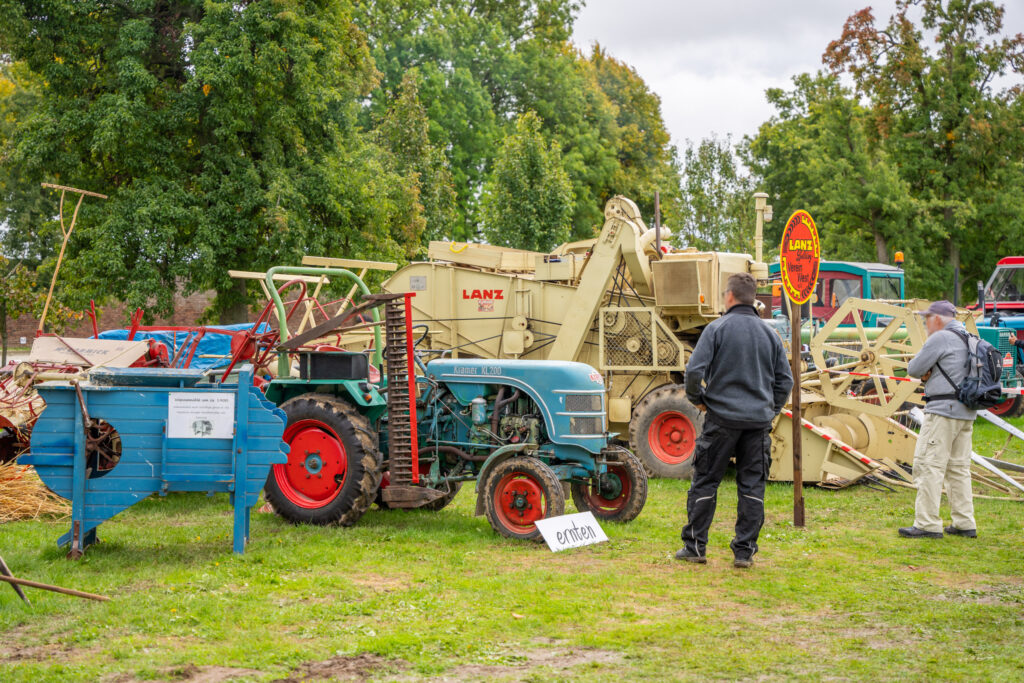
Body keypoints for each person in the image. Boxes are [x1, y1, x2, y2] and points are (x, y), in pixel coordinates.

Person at [675, 272, 793, 568]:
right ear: (753, 299)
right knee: (752, 486)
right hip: (757, 423)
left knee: (705, 481)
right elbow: (785, 380)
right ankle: (744, 552)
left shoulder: (717, 329)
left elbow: (693, 372)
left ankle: (696, 547)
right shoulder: (771, 335)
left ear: (729, 296)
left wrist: (698, 400)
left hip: (721, 419)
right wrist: (770, 409)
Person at [900, 300, 977, 539]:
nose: (925, 324)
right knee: (959, 469)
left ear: (937, 319)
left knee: (929, 465)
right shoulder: (970, 337)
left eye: (927, 319)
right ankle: (965, 522)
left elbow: (913, 368)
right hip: (966, 412)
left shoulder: (941, 338)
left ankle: (927, 523)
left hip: (943, 411)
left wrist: (927, 371)